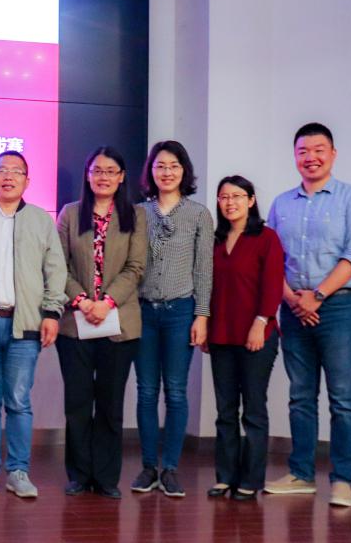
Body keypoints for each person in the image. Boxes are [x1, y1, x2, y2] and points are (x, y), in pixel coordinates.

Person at [264, 123, 351, 508]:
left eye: (318, 149)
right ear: (295, 156)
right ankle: (301, 474)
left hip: (339, 307)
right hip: (293, 307)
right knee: (300, 395)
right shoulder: (281, 204)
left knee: (342, 397)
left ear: (333, 154)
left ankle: (342, 480)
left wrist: (318, 296)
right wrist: (294, 299)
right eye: (303, 151)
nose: (310, 157)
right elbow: (271, 259)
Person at [0, 151, 67, 499]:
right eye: (2, 170)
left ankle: (19, 472)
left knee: (19, 401)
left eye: (16, 171)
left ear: (27, 180)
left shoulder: (40, 221)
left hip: (25, 324)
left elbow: (56, 270)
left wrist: (52, 313)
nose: (8, 176)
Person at [56, 146, 147, 499]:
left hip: (119, 323)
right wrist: (82, 301)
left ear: (122, 177)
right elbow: (58, 265)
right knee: (78, 403)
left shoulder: (135, 215)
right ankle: (79, 474)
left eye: (111, 171)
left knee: (110, 404)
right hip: (74, 323)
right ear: (88, 175)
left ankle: (107, 477)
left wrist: (106, 303)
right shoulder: (70, 213)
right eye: (97, 170)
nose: (103, 177)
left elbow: (136, 267)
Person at [131, 140, 213, 497]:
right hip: (143, 312)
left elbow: (204, 269)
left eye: (174, 166)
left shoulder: (198, 214)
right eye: (160, 165)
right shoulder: (137, 213)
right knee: (146, 391)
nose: (167, 172)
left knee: (176, 391)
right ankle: (149, 466)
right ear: (151, 171)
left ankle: (172, 469)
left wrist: (202, 315)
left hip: (181, 311)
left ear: (184, 171)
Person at [207, 175, 284, 501]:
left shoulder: (266, 238)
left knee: (253, 410)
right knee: (225, 411)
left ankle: (250, 480)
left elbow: (273, 284)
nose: (230, 203)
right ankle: (225, 477)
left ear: (251, 200)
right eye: (224, 197)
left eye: (237, 196)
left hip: (257, 335)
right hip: (221, 335)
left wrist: (260, 322)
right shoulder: (214, 240)